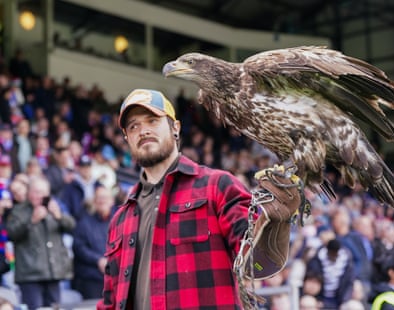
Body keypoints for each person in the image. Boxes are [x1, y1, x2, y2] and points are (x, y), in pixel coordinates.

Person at [97, 89, 303, 309]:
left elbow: (256, 264)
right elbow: (110, 301)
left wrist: (274, 222)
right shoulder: (120, 219)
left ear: (175, 128)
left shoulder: (217, 187)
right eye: (133, 126)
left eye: (152, 120)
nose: (143, 130)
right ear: (127, 138)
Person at [5, 175, 75, 309]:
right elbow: (11, 234)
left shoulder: (54, 207)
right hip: (30, 275)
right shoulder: (19, 210)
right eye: (36, 192)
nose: (40, 195)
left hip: (53, 272)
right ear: (29, 193)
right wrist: (31, 221)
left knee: (54, 307)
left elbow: (72, 226)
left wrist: (59, 217)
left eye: (43, 192)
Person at [72, 185, 115, 299]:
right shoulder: (84, 223)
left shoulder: (119, 222)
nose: (102, 201)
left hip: (115, 278)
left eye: (105, 197)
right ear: (94, 202)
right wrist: (98, 260)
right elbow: (78, 247)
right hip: (92, 278)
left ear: (112, 201)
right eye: (99, 198)